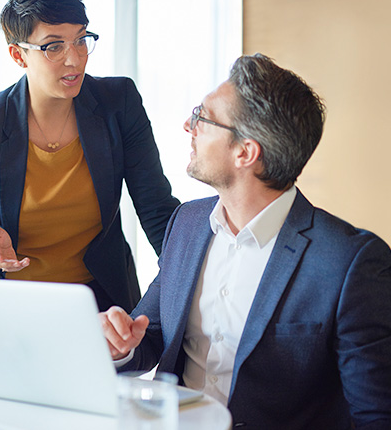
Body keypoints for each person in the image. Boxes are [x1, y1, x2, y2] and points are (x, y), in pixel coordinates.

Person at [100, 54, 391, 428]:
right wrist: (119, 344)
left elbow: (376, 416)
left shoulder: (350, 262)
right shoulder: (186, 224)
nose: (188, 125)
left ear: (245, 152)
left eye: (202, 117)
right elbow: (151, 335)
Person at [0, 0, 179, 313]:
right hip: (6, 302)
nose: (74, 59)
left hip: (96, 299)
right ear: (18, 55)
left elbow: (157, 211)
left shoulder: (118, 104)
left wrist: (198, 283)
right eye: (53, 46)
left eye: (81, 40)